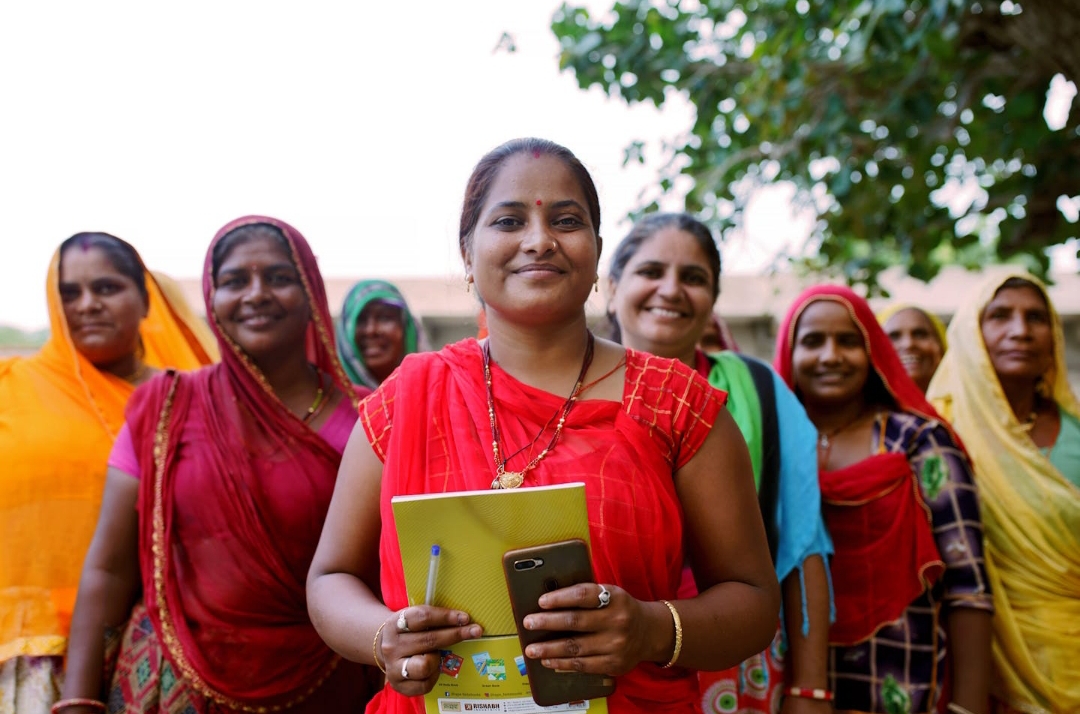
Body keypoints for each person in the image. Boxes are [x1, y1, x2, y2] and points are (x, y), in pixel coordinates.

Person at [307, 138, 782, 714]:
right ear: (467, 251)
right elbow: (330, 578)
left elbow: (754, 602)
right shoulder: (403, 401)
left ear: (597, 250)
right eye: (509, 220)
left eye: (566, 220)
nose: (539, 240)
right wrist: (385, 639)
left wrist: (649, 630)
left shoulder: (675, 403)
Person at [57, 217, 375, 714]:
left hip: (331, 682)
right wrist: (78, 702)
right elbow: (108, 568)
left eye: (278, 277)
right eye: (234, 281)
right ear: (211, 296)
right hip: (175, 686)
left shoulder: (369, 418)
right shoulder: (164, 407)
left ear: (311, 291)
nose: (256, 294)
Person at [605, 213, 833, 714]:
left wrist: (812, 690)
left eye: (694, 278)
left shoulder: (759, 391)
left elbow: (803, 546)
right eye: (651, 272)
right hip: (601, 659)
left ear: (712, 302)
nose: (671, 290)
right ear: (611, 287)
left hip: (738, 660)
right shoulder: (565, 396)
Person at [0, 232, 215, 714]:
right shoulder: (12, 387)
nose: (87, 305)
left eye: (106, 287)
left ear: (145, 299)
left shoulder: (189, 401)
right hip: (20, 651)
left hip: (149, 653)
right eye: (70, 294)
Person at [773, 285, 993, 714]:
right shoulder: (768, 444)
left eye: (849, 341)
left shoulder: (918, 441)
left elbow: (969, 586)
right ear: (789, 352)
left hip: (904, 680)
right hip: (786, 683)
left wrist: (968, 707)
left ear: (872, 351)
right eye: (813, 341)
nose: (831, 356)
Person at [926, 272, 1080, 714]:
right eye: (999, 316)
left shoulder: (1076, 430)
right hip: (971, 669)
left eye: (1036, 317)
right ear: (971, 332)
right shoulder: (938, 432)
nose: (1021, 331)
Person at [336, 279, 429, 389]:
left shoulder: (435, 394)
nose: (371, 330)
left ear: (406, 328)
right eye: (361, 320)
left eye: (385, 318)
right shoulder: (330, 401)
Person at [877, 304, 948, 393]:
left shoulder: (965, 402)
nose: (908, 344)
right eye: (894, 336)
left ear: (941, 342)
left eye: (920, 334)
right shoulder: (859, 406)